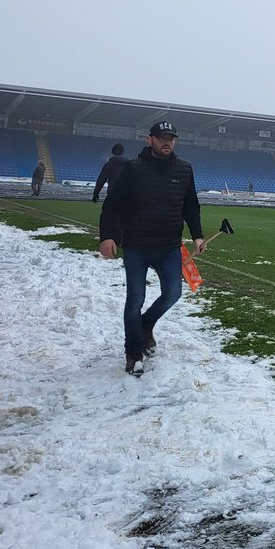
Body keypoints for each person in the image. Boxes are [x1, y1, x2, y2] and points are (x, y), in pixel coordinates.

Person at [99, 122, 205, 375]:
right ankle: (133, 353)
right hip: (137, 246)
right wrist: (107, 237)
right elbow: (112, 205)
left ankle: (145, 324)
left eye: (171, 138)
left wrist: (197, 236)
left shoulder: (184, 169)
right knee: (135, 299)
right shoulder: (132, 169)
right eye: (162, 138)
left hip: (169, 246)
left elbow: (191, 205)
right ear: (151, 140)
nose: (167, 142)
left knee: (173, 294)